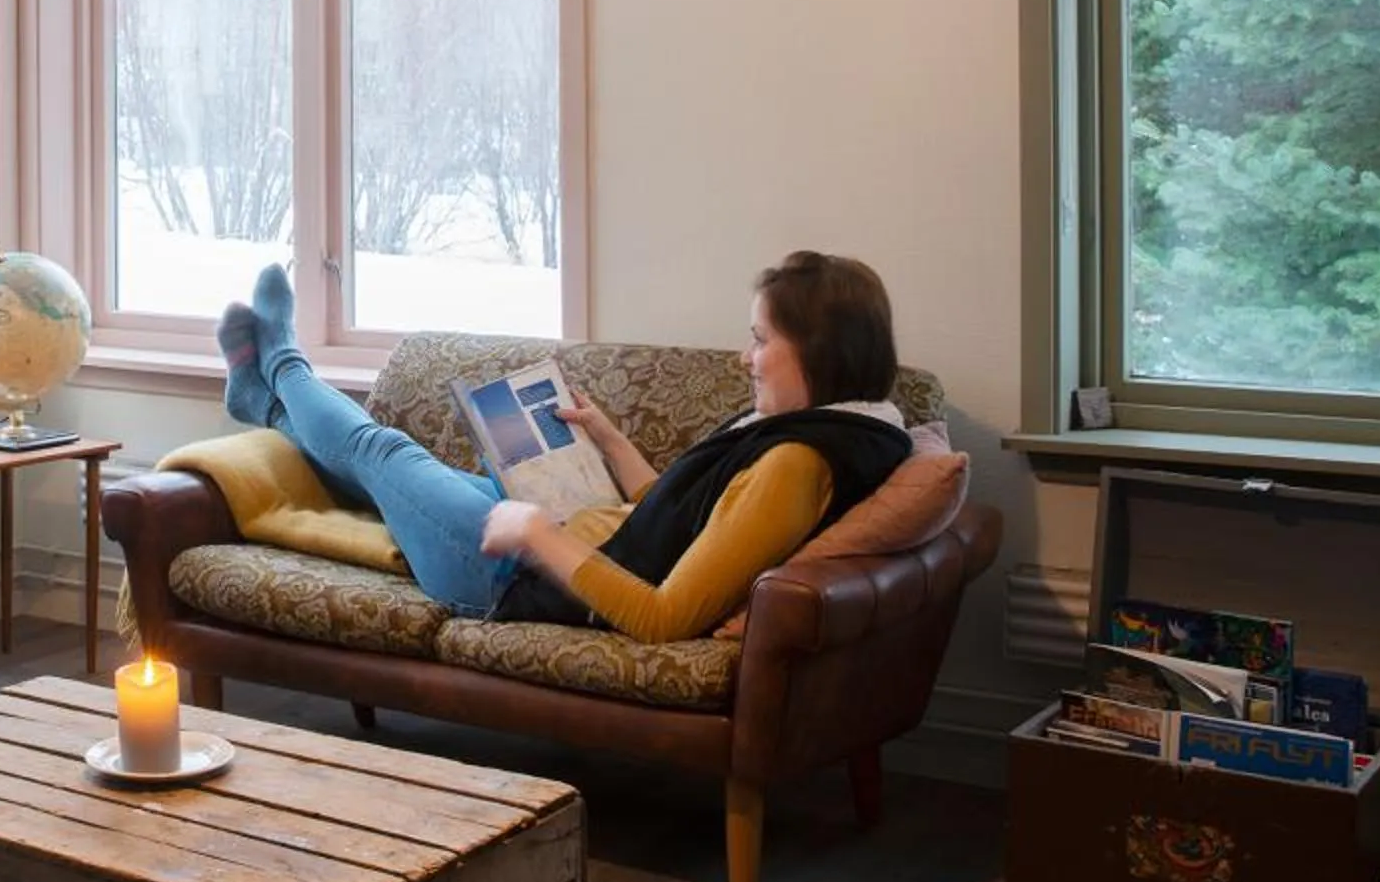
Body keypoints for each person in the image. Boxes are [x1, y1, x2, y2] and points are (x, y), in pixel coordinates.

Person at [215, 253, 912, 645]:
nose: (744, 358)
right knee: (389, 472)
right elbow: (683, 523)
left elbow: (662, 616)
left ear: (818, 351)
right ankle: (266, 401)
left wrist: (536, 536)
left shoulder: (797, 465)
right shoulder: (829, 431)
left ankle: (281, 361)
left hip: (514, 580)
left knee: (382, 453)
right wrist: (609, 440)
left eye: (760, 341)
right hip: (563, 538)